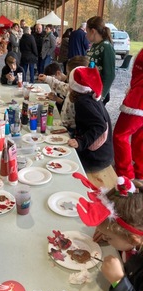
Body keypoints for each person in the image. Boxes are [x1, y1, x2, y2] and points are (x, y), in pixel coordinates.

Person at [74, 172, 143, 291]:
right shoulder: (135, 237)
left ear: (133, 240)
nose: (105, 238)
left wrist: (119, 282)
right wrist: (107, 231)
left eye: (109, 237)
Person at [67, 66, 113, 172]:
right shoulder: (91, 96)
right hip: (104, 156)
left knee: (65, 160)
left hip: (96, 159)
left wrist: (81, 142)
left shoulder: (82, 103)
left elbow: (100, 126)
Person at [113, 49, 143, 182]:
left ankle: (125, 175)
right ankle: (139, 172)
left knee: (121, 135)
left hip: (139, 98)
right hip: (138, 93)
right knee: (140, 136)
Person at [38, 55, 89, 128]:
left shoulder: (84, 97)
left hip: (72, 130)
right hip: (64, 124)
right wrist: (46, 78)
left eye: (69, 74)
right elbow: (60, 85)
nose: (67, 76)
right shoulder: (73, 88)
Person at [86, 16, 115, 105]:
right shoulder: (95, 45)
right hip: (91, 89)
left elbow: (110, 75)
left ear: (93, 31)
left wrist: (101, 96)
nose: (86, 35)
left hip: (98, 94)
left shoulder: (106, 46)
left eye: (87, 32)